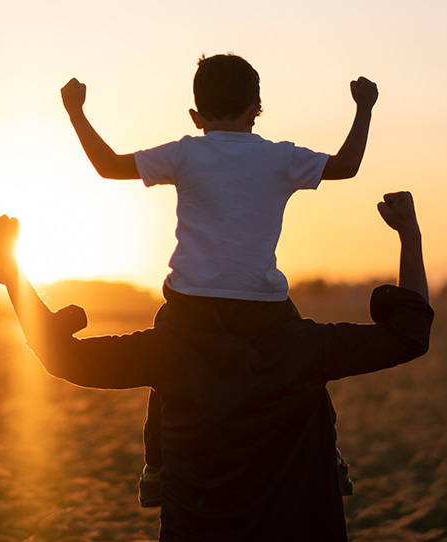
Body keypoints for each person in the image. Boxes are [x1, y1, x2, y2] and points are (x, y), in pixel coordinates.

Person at [0, 191, 433, 541]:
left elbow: (64, 356)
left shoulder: (170, 348)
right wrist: (409, 234)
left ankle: (154, 468)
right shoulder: (307, 346)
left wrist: (11, 267)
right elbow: (408, 335)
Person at [61, 53, 380, 504]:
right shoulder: (280, 157)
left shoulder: (186, 152)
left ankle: (156, 468)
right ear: (258, 108)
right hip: (263, 306)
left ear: (195, 116)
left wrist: (76, 112)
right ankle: (329, 455)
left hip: (192, 304)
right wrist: (364, 107)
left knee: (164, 373)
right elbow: (347, 165)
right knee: (310, 370)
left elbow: (109, 165)